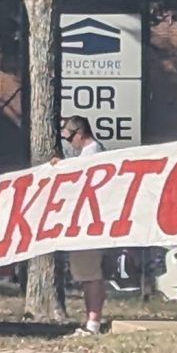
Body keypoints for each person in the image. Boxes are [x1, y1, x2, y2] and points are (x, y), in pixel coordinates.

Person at [53, 115, 108, 336]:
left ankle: (93, 324)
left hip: (89, 224)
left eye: (70, 139)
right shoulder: (90, 154)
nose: (69, 144)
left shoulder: (92, 154)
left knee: (90, 273)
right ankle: (91, 321)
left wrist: (63, 168)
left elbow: (84, 179)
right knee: (87, 274)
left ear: (80, 133)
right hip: (85, 223)